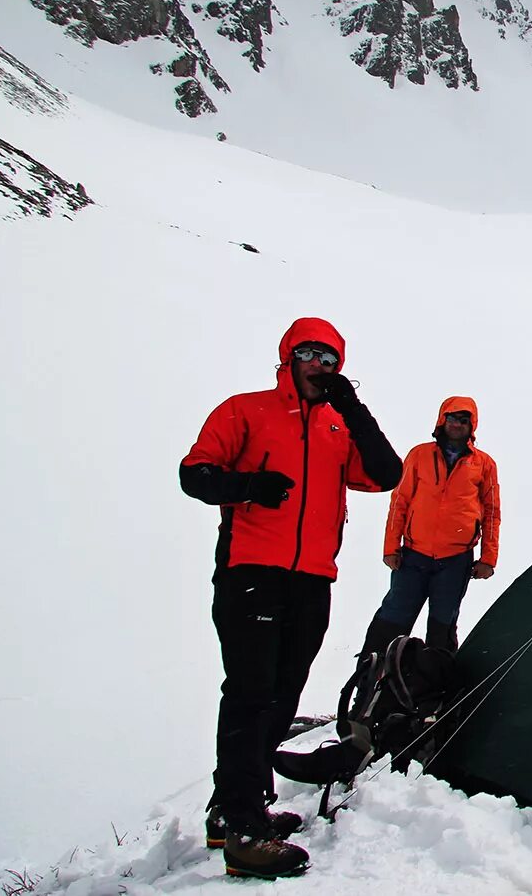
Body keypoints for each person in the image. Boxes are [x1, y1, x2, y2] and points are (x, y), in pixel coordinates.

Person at [179, 317, 402, 879]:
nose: (319, 365)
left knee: (280, 697)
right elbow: (195, 474)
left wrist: (351, 407)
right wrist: (248, 487)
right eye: (308, 353)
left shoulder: (337, 426)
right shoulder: (245, 410)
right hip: (252, 568)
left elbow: (386, 473)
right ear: (287, 356)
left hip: (312, 578)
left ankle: (232, 810)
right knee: (253, 694)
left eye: (330, 359)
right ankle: (245, 831)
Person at [361, 396, 500, 657]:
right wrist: (391, 547)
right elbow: (399, 502)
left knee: (442, 629)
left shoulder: (484, 464)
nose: (457, 424)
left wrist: (488, 558)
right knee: (392, 621)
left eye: (463, 419)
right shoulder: (419, 455)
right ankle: (368, 686)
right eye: (451, 417)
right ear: (441, 419)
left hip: (456, 560)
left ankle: (436, 692)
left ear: (472, 425)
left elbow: (492, 513)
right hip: (413, 555)